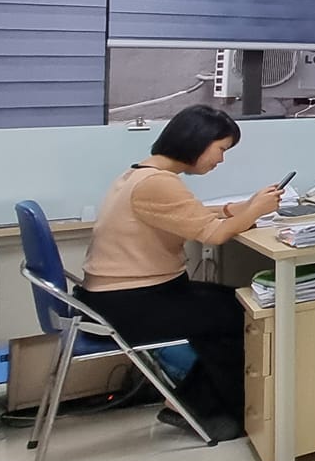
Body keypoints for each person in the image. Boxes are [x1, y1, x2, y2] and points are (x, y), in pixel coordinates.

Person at [80, 105, 285, 442]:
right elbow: (214, 234)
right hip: (130, 303)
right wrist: (255, 211)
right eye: (220, 149)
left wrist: (236, 209)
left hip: (114, 297)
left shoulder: (141, 173)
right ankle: (205, 407)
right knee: (245, 314)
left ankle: (193, 403)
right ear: (197, 141)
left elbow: (184, 213)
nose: (220, 160)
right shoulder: (158, 183)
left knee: (234, 304)